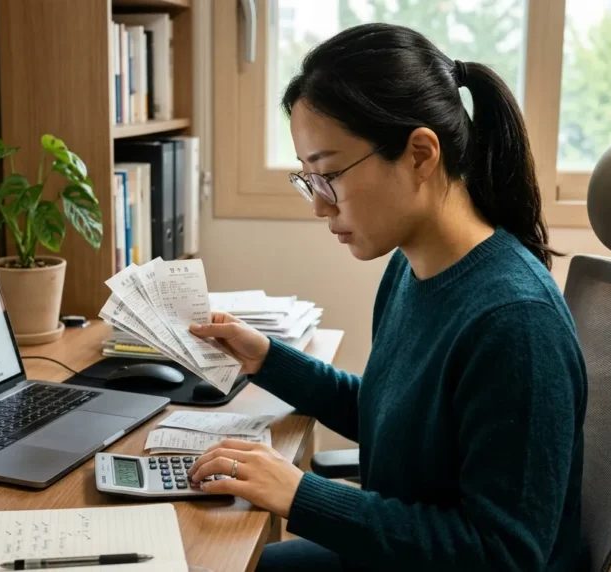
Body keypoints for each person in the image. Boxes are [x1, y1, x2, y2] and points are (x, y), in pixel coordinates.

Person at [187, 22, 587, 571]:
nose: (319, 206)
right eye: (307, 179)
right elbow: (391, 413)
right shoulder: (410, 267)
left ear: (421, 154)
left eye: (327, 174)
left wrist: (302, 496)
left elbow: (505, 555)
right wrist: (266, 358)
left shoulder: (514, 324)